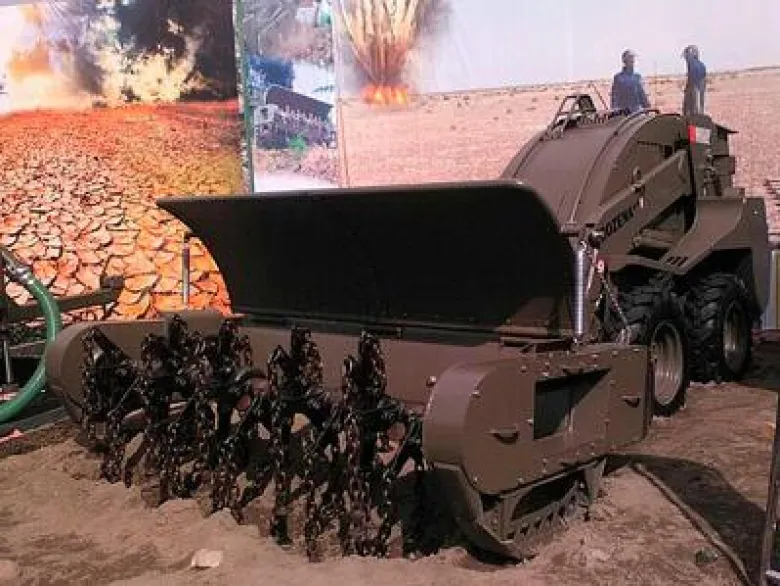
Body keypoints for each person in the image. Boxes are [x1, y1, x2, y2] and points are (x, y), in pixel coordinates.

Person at [682, 45, 707, 116]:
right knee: (699, 108)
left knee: (692, 110)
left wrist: (688, 89)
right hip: (699, 88)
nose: (685, 58)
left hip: (695, 88)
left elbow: (692, 80)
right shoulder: (701, 65)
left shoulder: (692, 64)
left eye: (686, 56)